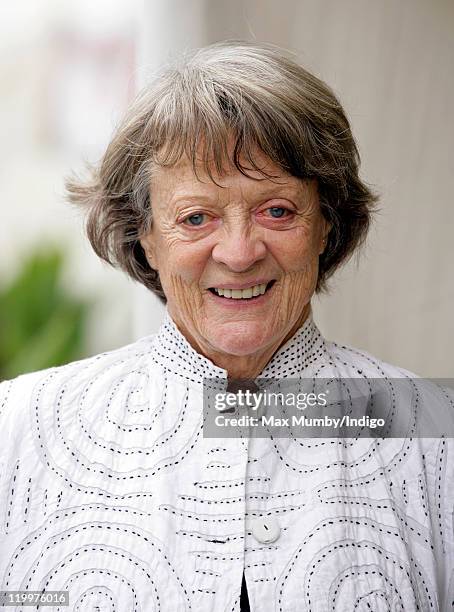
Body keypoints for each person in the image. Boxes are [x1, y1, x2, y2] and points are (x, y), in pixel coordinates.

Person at [0, 41, 452, 611]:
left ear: (326, 226)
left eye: (277, 210)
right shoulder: (18, 429)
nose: (239, 253)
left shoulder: (434, 436)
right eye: (196, 217)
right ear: (146, 236)